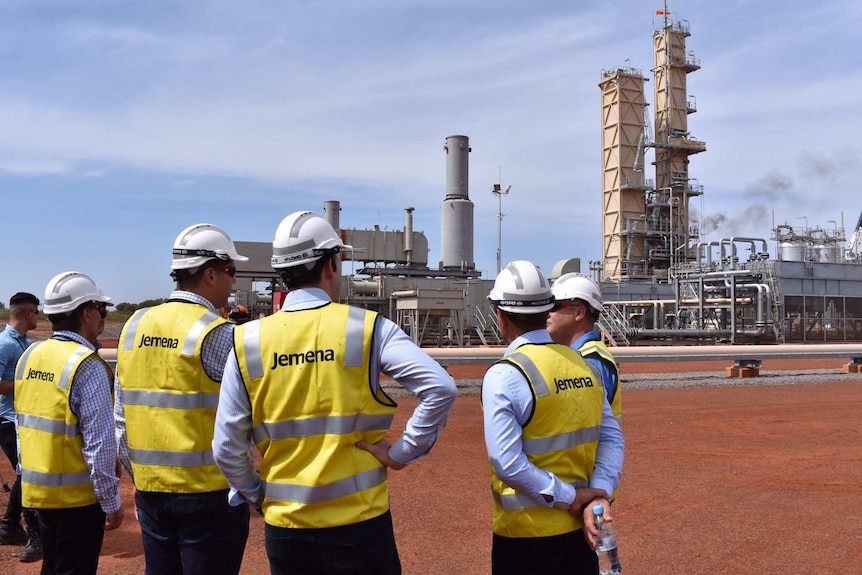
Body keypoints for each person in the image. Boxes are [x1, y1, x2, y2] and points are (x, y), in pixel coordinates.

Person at [213, 210, 458, 575]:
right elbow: (440, 387)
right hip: (360, 523)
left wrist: (257, 494)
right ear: (332, 263)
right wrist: (401, 452)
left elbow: (227, 447)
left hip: (287, 528)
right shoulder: (368, 329)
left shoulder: (247, 341)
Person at [114, 223, 250, 575]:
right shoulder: (218, 333)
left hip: (150, 490)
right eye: (230, 272)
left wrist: (139, 477)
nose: (234, 281)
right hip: (209, 496)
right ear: (210, 274)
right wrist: (248, 483)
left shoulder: (134, 324)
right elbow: (253, 414)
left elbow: (120, 417)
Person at [481, 261, 625, 575]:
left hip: (524, 534)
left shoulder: (506, 374)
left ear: (500, 315)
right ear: (546, 311)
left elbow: (507, 463)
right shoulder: (585, 364)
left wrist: (570, 497)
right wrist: (597, 494)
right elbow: (612, 439)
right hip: (581, 529)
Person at [14, 272, 124, 575]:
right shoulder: (87, 365)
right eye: (100, 310)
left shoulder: (30, 355)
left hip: (41, 492)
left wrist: (28, 484)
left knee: (52, 566)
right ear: (86, 312)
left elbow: (22, 425)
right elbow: (99, 444)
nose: (103, 317)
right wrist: (111, 501)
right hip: (78, 499)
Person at [0, 292, 42, 563]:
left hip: (22, 420)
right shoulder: (5, 344)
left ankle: (8, 525)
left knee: (24, 473)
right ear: (28, 313)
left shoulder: (25, 342)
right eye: (37, 313)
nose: (39, 317)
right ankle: (32, 533)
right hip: (8, 421)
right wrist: (29, 381)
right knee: (28, 475)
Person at [546, 273, 621, 418]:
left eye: (554, 306)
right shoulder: (578, 355)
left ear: (579, 312)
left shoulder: (591, 361)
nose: (547, 313)